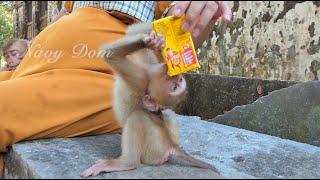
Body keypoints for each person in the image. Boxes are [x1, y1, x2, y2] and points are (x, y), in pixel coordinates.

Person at [0, 1, 232, 177]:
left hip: (95, 73)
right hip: (37, 60)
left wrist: (204, 12)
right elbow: (64, 16)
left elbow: (184, 30)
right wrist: (34, 47)